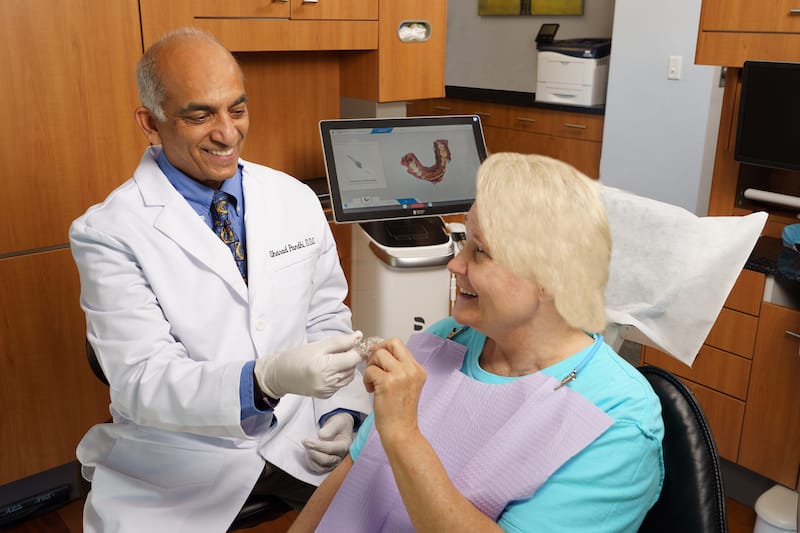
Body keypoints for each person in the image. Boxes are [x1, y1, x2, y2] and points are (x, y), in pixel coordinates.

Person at [69, 27, 371, 532]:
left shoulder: (293, 199)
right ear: (150, 122)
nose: (227, 133)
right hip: (182, 456)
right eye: (199, 114)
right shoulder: (108, 232)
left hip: (301, 436)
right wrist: (264, 380)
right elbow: (142, 380)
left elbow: (325, 317)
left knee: (397, 512)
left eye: (237, 109)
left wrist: (342, 410)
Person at [289, 153, 665, 533]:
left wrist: (403, 434)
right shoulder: (442, 339)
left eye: (480, 252)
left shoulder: (618, 420)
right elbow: (350, 477)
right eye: (463, 243)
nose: (455, 264)